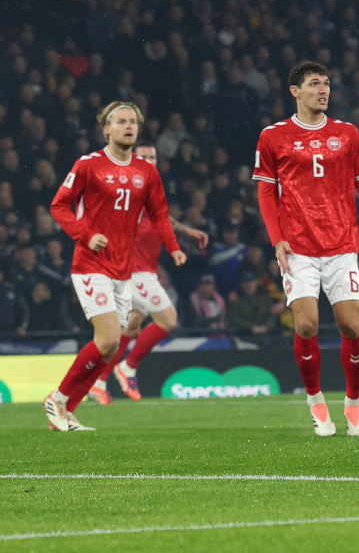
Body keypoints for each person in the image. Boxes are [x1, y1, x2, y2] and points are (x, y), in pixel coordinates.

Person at [253, 61, 359, 437]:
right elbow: (266, 191)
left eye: (326, 84)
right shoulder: (273, 136)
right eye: (315, 84)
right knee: (306, 324)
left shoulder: (347, 133)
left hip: (341, 244)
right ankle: (316, 400)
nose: (323, 90)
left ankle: (353, 404)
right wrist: (277, 239)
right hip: (298, 247)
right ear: (295, 91)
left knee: (351, 325)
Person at [45, 101, 186, 431]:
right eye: (120, 121)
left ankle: (64, 410)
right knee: (108, 339)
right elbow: (59, 206)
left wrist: (174, 247)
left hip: (124, 270)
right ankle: (58, 398)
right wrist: (85, 233)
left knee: (109, 347)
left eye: (133, 122)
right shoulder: (88, 165)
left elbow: (159, 215)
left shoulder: (146, 172)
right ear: (106, 129)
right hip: (90, 264)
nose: (128, 126)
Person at [88, 141, 209, 404]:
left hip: (144, 267)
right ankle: (127, 367)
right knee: (168, 320)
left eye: (153, 157)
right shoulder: (127, 186)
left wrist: (186, 232)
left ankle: (97, 382)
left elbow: (161, 218)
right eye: (144, 156)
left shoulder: (148, 187)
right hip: (133, 270)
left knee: (130, 327)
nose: (150, 160)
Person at [226, 269, 280, 335]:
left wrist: (266, 327)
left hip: (267, 337)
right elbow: (234, 318)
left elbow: (273, 314)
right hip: (246, 336)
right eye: (246, 282)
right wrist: (251, 327)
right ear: (242, 284)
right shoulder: (236, 300)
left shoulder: (265, 298)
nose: (249, 284)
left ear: (256, 282)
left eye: (252, 281)